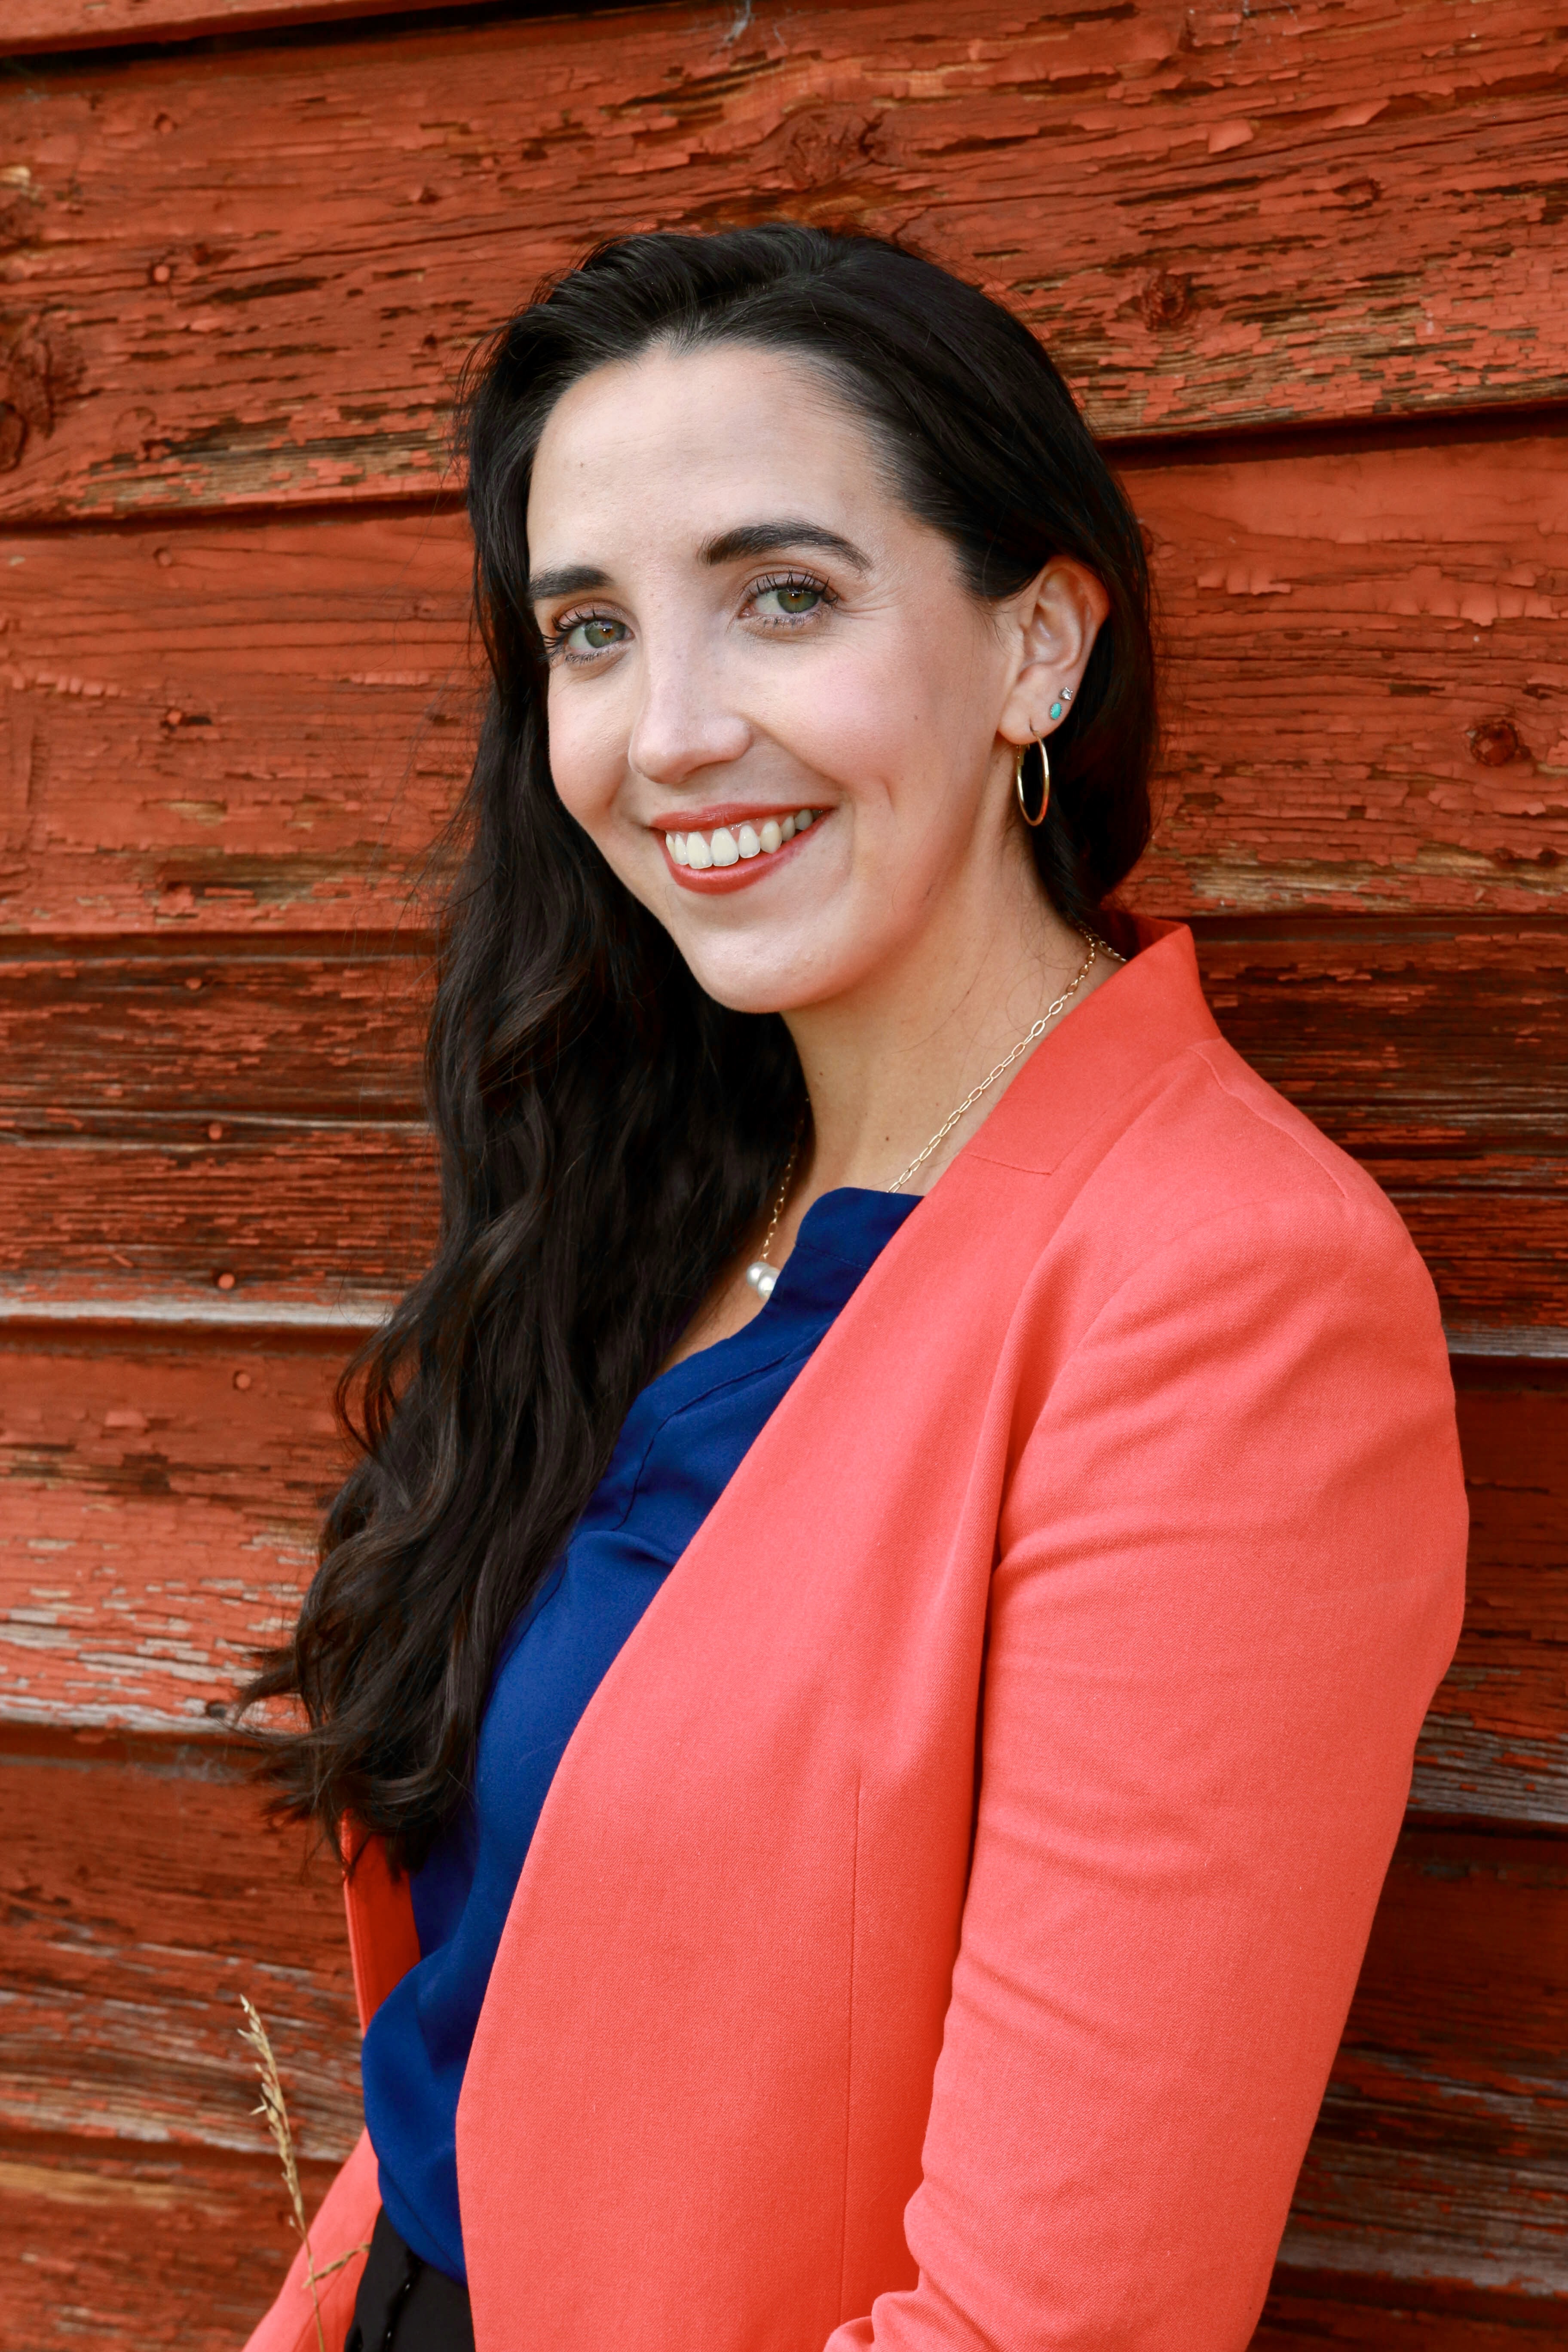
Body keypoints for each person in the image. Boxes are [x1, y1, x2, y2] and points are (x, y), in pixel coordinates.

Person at [242, 226, 1466, 2352]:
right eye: (592, 634)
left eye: (784, 597)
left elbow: (1051, 2319)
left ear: (1037, 652)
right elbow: (496, 1987)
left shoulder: (1230, 1297)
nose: (670, 732)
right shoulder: (649, 1213)